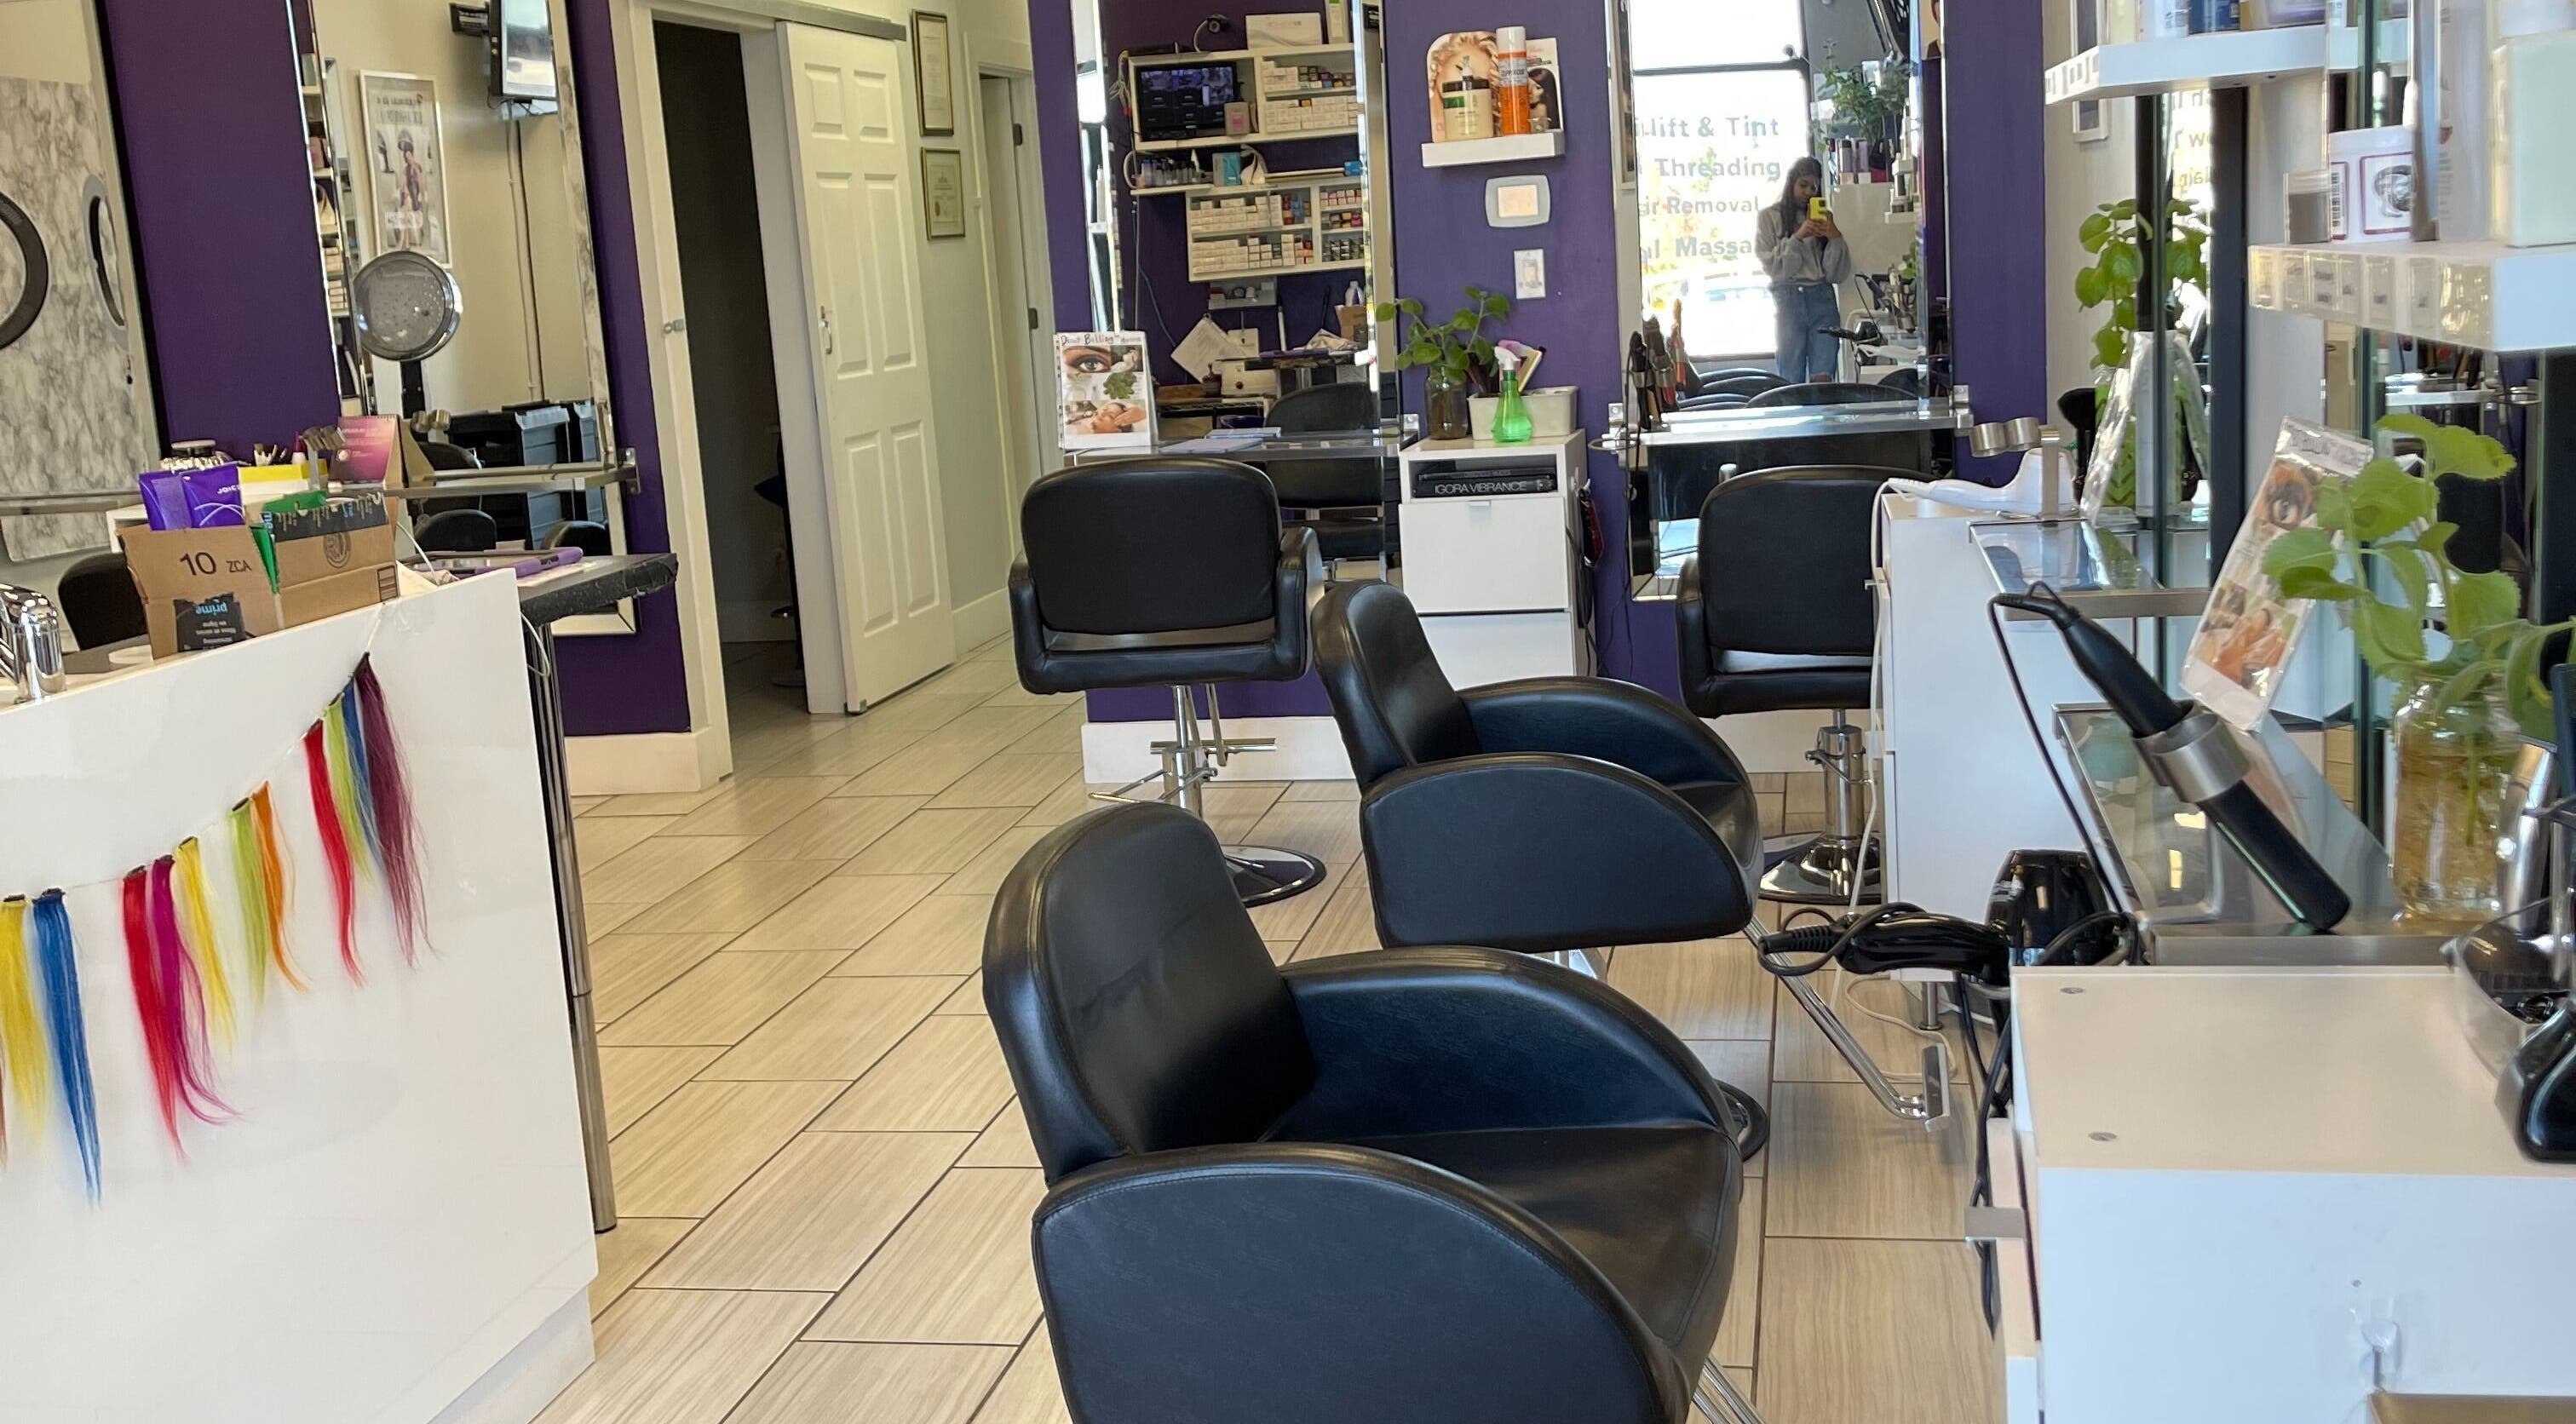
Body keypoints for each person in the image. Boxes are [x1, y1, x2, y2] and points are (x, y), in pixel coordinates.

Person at [1757, 156, 1852, 382]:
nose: (1808, 191)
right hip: (1788, 297)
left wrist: (1835, 237)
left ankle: (1826, 417)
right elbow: (1775, 268)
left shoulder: (1822, 218)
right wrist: (1799, 237)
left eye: (1814, 187)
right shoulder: (1769, 217)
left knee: (1824, 374)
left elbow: (1836, 274)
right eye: (1803, 185)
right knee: (1791, 376)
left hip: (1822, 296)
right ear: (1791, 183)